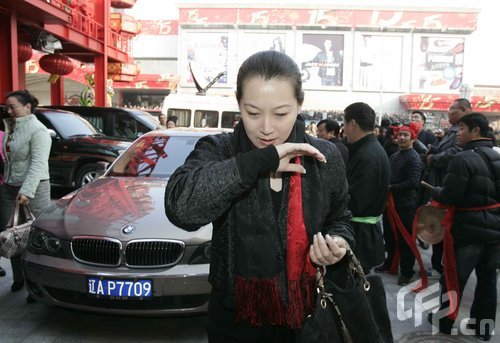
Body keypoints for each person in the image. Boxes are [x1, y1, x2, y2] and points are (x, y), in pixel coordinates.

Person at [164, 50, 354, 342]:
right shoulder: (220, 150)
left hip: (310, 316)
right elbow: (181, 209)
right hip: (235, 321)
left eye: (281, 114)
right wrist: (257, 163)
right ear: (238, 104)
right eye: (253, 113)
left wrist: (338, 244)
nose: (266, 128)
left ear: (300, 105)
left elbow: (341, 218)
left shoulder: (324, 156)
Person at [427, 113, 500, 341]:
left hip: (469, 231)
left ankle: (445, 322)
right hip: (496, 230)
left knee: (453, 277)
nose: (458, 133)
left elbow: (450, 195)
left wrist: (435, 191)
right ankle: (484, 328)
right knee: (488, 281)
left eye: (462, 129)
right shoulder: (497, 156)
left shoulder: (463, 159)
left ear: (475, 131)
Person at [0, 90, 52, 292]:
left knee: (33, 236)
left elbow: (38, 164)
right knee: (11, 234)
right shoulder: (12, 128)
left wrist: (26, 191)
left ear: (27, 107)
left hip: (34, 189)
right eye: (7, 107)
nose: (9, 111)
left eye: (12, 106)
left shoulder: (38, 130)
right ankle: (19, 278)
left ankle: (35, 284)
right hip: (9, 187)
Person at [423, 98, 472, 278]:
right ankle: (438, 265)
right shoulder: (453, 130)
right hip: (440, 184)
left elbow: (456, 152)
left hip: (451, 187)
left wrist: (434, 158)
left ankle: (444, 269)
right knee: (439, 228)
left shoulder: (465, 131)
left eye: (452, 109)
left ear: (464, 110)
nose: (449, 112)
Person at [343, 102, 390, 273]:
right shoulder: (369, 149)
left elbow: (355, 201)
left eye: (345, 124)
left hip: (361, 237)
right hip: (363, 233)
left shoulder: (367, 155)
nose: (344, 130)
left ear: (353, 124)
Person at [375, 122, 424, 286]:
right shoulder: (395, 155)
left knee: (406, 240)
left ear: (413, 139)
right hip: (391, 204)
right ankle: (390, 263)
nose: (402, 138)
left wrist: (390, 187)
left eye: (406, 135)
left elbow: (413, 182)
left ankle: (407, 272)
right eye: (400, 134)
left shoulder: (414, 158)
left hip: (405, 205)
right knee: (389, 236)